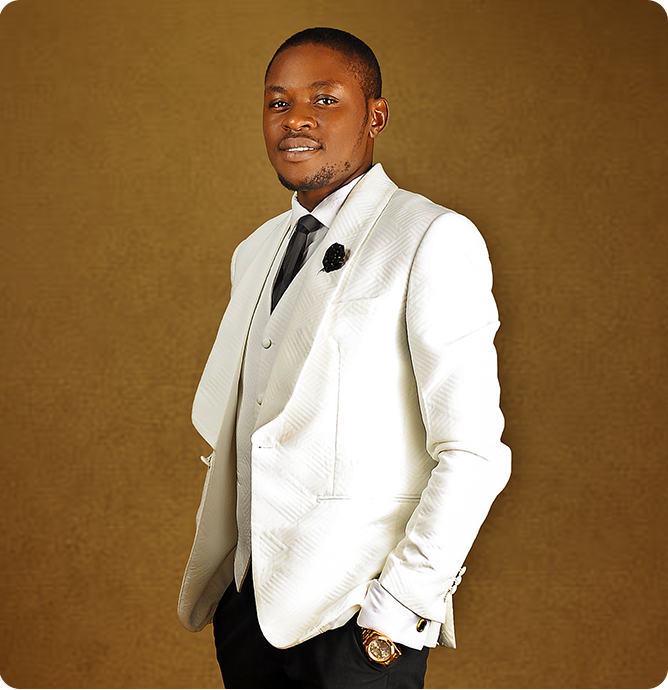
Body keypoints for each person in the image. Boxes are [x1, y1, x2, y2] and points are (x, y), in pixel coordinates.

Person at [178, 27, 511, 689]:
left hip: (356, 621)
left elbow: (474, 451)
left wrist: (398, 608)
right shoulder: (256, 249)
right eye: (279, 102)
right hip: (248, 613)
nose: (296, 118)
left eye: (325, 100)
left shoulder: (431, 237)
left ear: (375, 116)